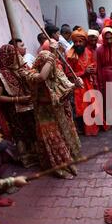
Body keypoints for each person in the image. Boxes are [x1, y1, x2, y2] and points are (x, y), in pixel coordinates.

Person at [23, 39, 81, 179]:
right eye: (50, 62)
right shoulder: (31, 74)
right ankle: (60, 167)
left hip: (59, 111)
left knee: (62, 137)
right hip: (45, 114)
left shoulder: (56, 71)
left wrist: (76, 85)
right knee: (53, 140)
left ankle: (68, 160)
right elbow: (42, 77)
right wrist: (51, 55)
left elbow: (64, 91)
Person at [0, 44, 38, 168]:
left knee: (33, 130)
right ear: (7, 57)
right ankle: (27, 158)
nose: (17, 57)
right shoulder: (0, 75)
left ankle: (38, 154)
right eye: (14, 55)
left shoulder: (21, 69)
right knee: (21, 133)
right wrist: (18, 99)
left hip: (30, 105)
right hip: (15, 109)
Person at [66, 28, 106, 136]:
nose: (78, 44)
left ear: (85, 42)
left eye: (80, 41)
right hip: (78, 86)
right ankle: (86, 130)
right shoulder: (70, 56)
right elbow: (68, 75)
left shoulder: (90, 52)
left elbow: (94, 68)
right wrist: (84, 72)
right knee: (84, 108)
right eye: (75, 42)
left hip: (91, 83)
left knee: (94, 106)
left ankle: (96, 127)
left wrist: (93, 72)